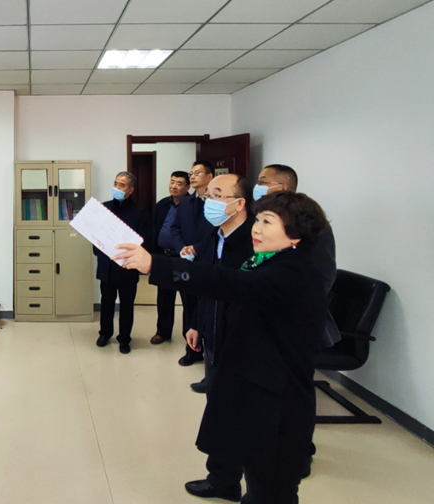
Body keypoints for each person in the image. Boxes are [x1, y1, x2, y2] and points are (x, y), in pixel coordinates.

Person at [114, 191, 329, 504]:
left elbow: (226, 282)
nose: (256, 228)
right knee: (256, 480)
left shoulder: (294, 274)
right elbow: (227, 286)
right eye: (257, 220)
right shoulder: (267, 261)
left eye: (267, 222)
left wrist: (155, 265)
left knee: (272, 491)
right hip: (254, 390)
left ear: (296, 234)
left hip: (277, 404)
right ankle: (226, 483)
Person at [254, 164, 340, 479]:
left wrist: (299, 310)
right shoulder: (265, 223)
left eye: (264, 181)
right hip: (269, 318)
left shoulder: (307, 223)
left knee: (294, 392)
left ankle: (301, 454)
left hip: (297, 322)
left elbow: (323, 275)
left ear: (283, 187)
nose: (258, 185)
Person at [186, 174, 254, 394]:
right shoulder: (214, 237)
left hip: (244, 343)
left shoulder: (257, 242)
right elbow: (206, 286)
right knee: (215, 395)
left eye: (217, 196)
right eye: (208, 197)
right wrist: (197, 324)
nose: (210, 202)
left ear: (240, 203)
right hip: (213, 335)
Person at [94, 171, 150, 354]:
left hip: (128, 266)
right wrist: (100, 250)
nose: (117, 188)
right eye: (115, 184)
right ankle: (105, 333)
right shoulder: (104, 208)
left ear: (131, 189)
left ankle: (125, 338)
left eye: (122, 185)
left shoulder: (140, 211)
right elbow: (96, 236)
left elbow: (144, 240)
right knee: (106, 302)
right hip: (107, 265)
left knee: (126, 305)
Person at [170, 161, 215, 365]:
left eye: (197, 173)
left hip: (208, 260)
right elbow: (175, 228)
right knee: (188, 303)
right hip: (184, 261)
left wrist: (197, 248)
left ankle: (211, 349)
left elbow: (218, 233)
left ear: (210, 177)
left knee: (207, 303)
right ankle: (192, 350)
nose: (193, 176)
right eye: (191, 173)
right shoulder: (186, 202)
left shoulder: (216, 203)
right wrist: (181, 247)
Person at [150, 171, 191, 345]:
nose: (173, 186)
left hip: (183, 258)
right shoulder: (162, 204)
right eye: (172, 182)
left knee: (188, 298)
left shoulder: (192, 205)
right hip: (163, 256)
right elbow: (155, 228)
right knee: (164, 297)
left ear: (187, 187)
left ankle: (189, 334)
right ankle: (163, 332)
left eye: (179, 183)